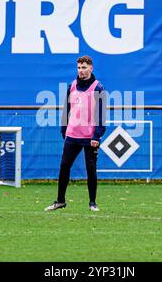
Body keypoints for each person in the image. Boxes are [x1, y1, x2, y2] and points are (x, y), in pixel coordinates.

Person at [45, 55, 106, 212]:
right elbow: (67, 109)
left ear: (91, 68)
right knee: (64, 166)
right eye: (79, 68)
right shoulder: (72, 86)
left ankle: (92, 203)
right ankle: (60, 201)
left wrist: (97, 135)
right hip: (72, 134)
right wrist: (64, 129)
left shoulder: (98, 88)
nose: (81, 71)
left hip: (89, 136)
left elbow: (101, 115)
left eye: (84, 68)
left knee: (90, 169)